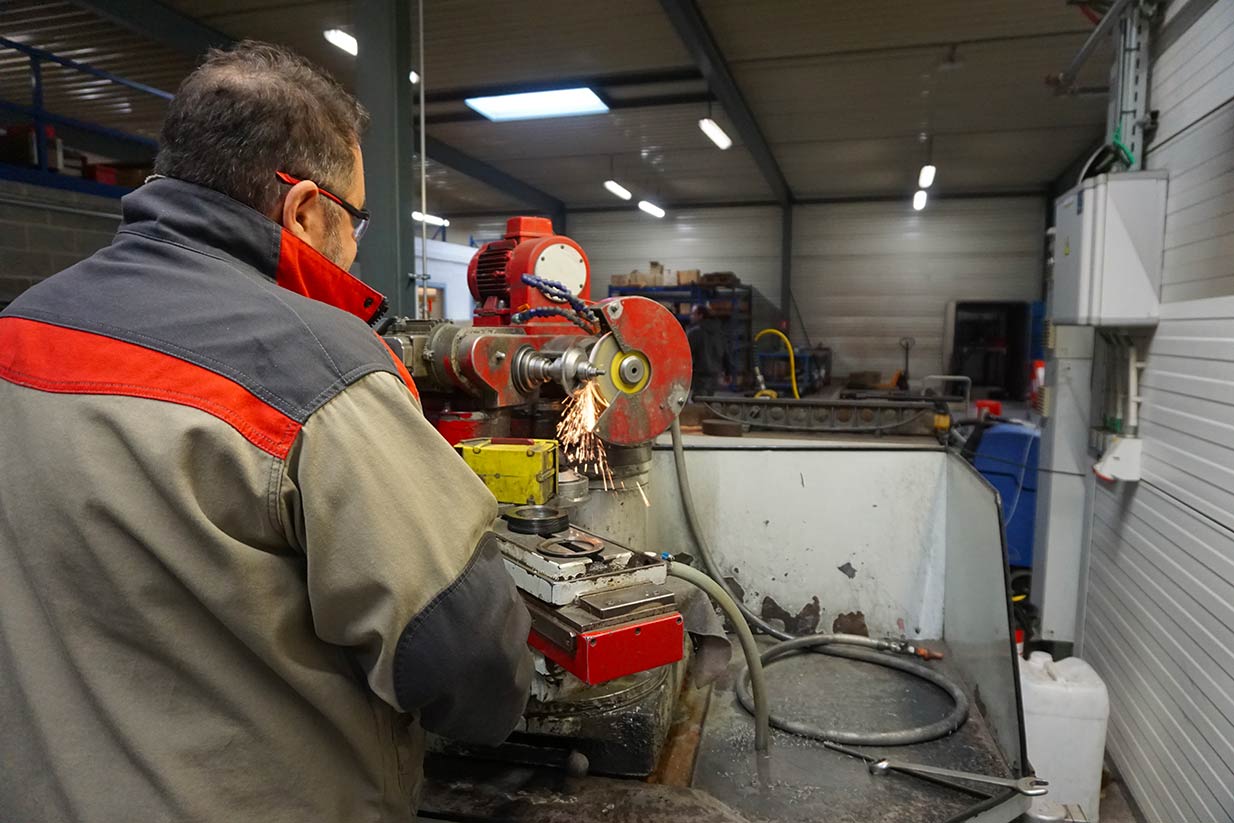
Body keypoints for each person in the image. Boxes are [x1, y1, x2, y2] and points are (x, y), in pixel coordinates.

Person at [0, 41, 532, 822]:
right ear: (307, 210)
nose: (354, 247)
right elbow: (472, 666)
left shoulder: (18, 328)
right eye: (354, 220)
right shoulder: (316, 366)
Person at [686, 303, 732, 398]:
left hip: (700, 373)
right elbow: (726, 353)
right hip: (715, 373)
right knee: (710, 400)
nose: (691, 316)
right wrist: (728, 372)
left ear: (700, 315)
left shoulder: (695, 332)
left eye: (693, 314)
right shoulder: (719, 332)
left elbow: (685, 353)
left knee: (699, 401)